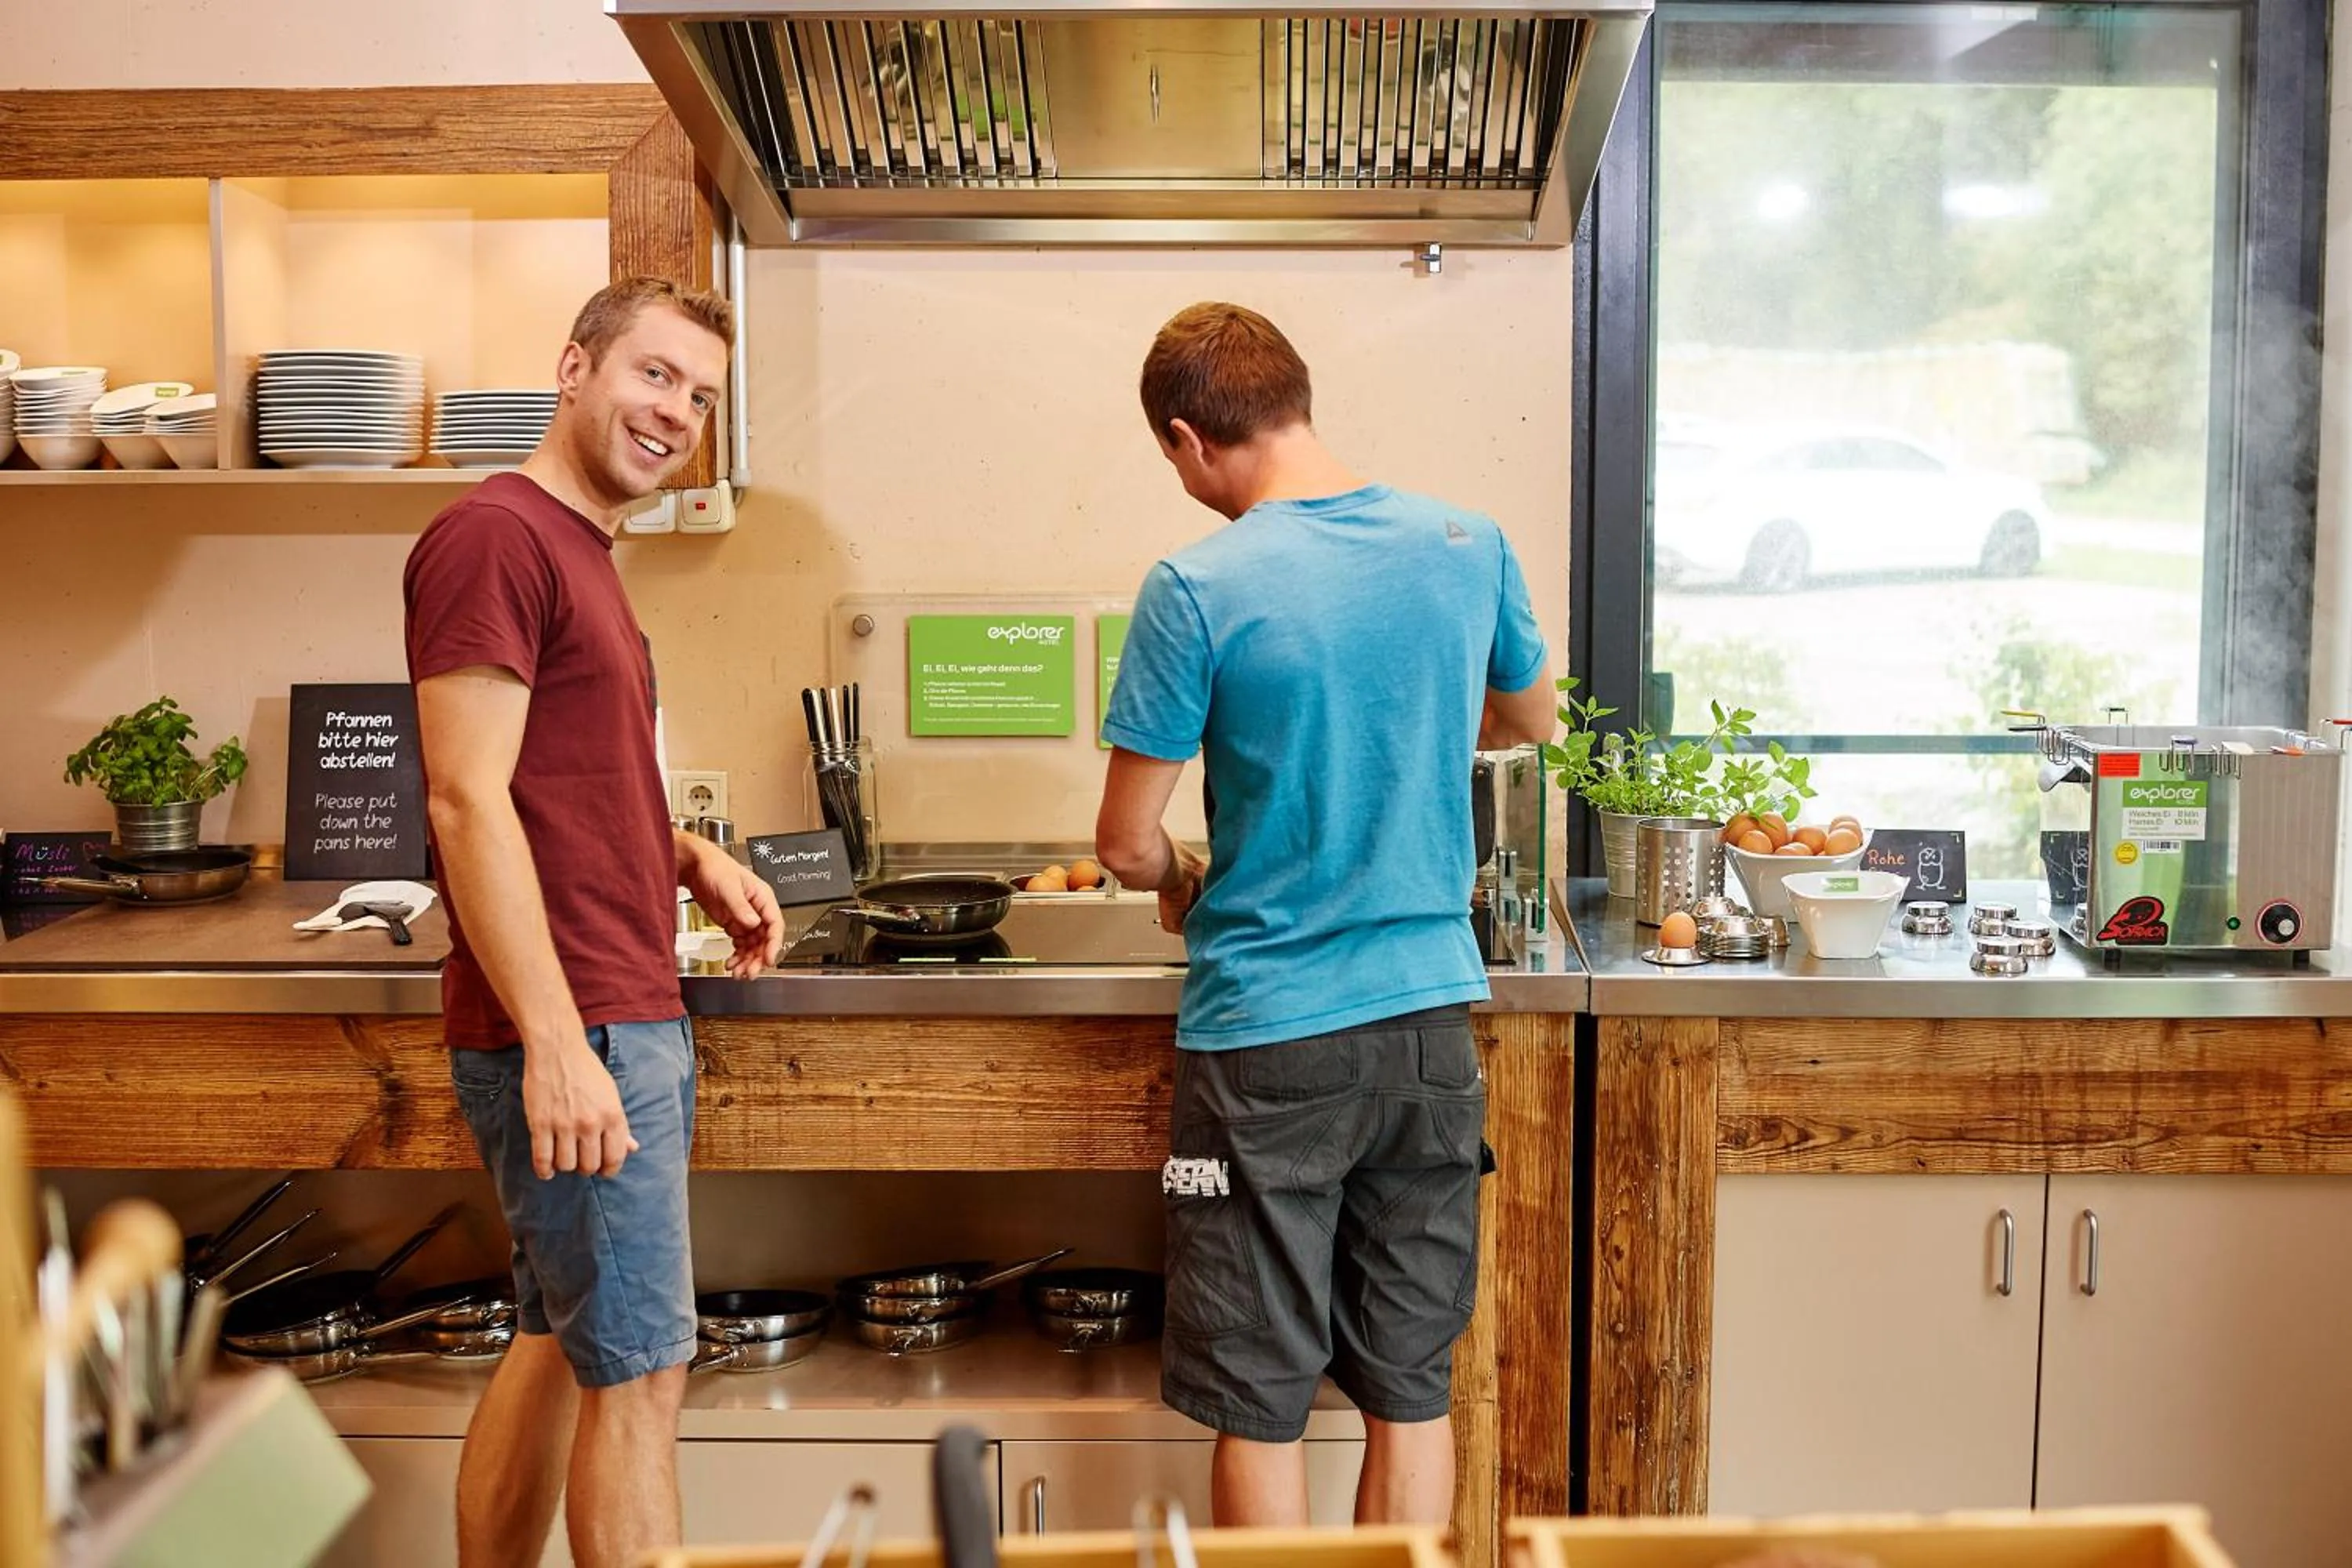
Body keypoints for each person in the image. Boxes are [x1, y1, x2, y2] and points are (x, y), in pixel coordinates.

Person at [1094, 302, 1555, 1528]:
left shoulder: (1197, 585)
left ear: (1188, 440)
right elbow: (1531, 719)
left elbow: (1125, 844)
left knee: (1260, 1396)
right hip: (1428, 1032)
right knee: (1411, 1388)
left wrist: (1180, 879)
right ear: (1296, 399)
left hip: (1266, 1042)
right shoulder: (1468, 544)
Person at [403, 276, 785, 1568]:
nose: (677, 413)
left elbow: (546, 782)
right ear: (575, 369)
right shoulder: (494, 538)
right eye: (654, 375)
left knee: (559, 1343)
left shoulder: (574, 550)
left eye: (701, 397)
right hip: (585, 1028)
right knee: (640, 1375)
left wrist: (684, 856)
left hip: (603, 1009)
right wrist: (560, 1044)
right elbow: (463, 799)